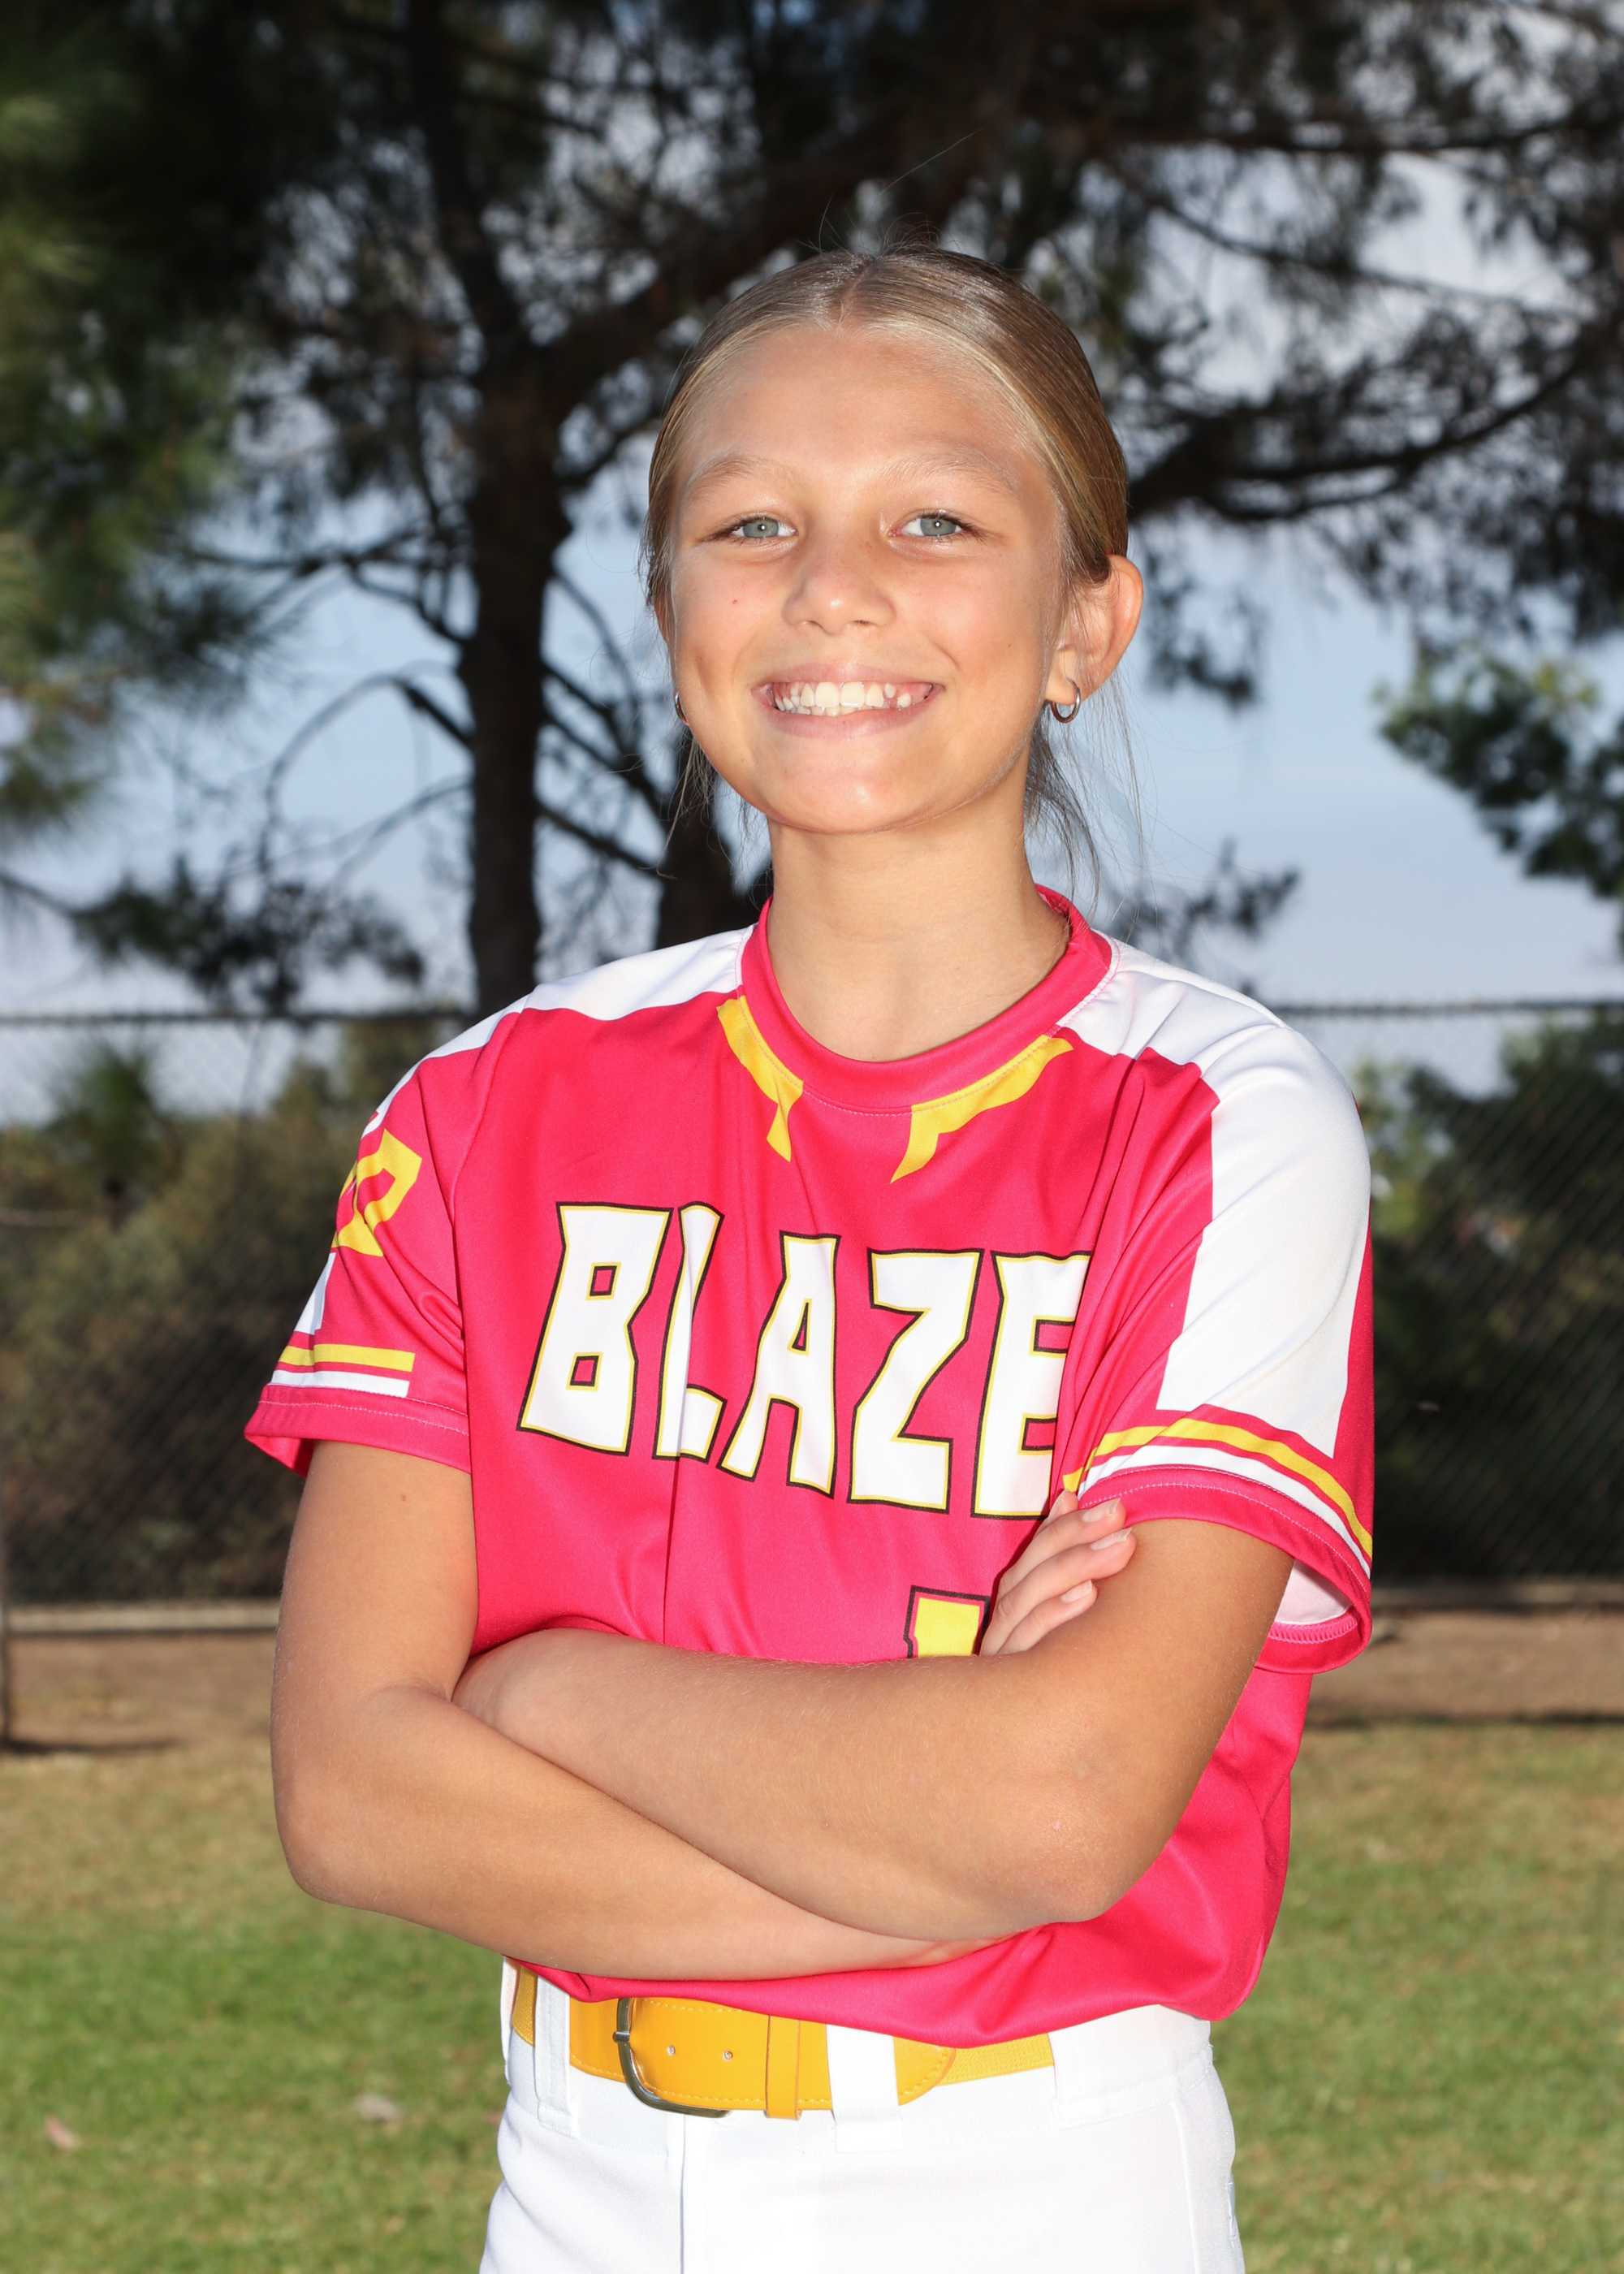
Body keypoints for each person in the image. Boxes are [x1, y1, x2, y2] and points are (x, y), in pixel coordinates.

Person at [249, 244, 1372, 2273]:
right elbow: (353, 1790)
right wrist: (951, 1848)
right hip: (575, 2178)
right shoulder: (484, 1110)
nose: (831, 588)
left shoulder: (1219, 1119)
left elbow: (1062, 1797)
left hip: (1031, 2182)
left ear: (1086, 620)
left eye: (934, 521)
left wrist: (546, 1683)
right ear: (671, 605)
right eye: (750, 523)